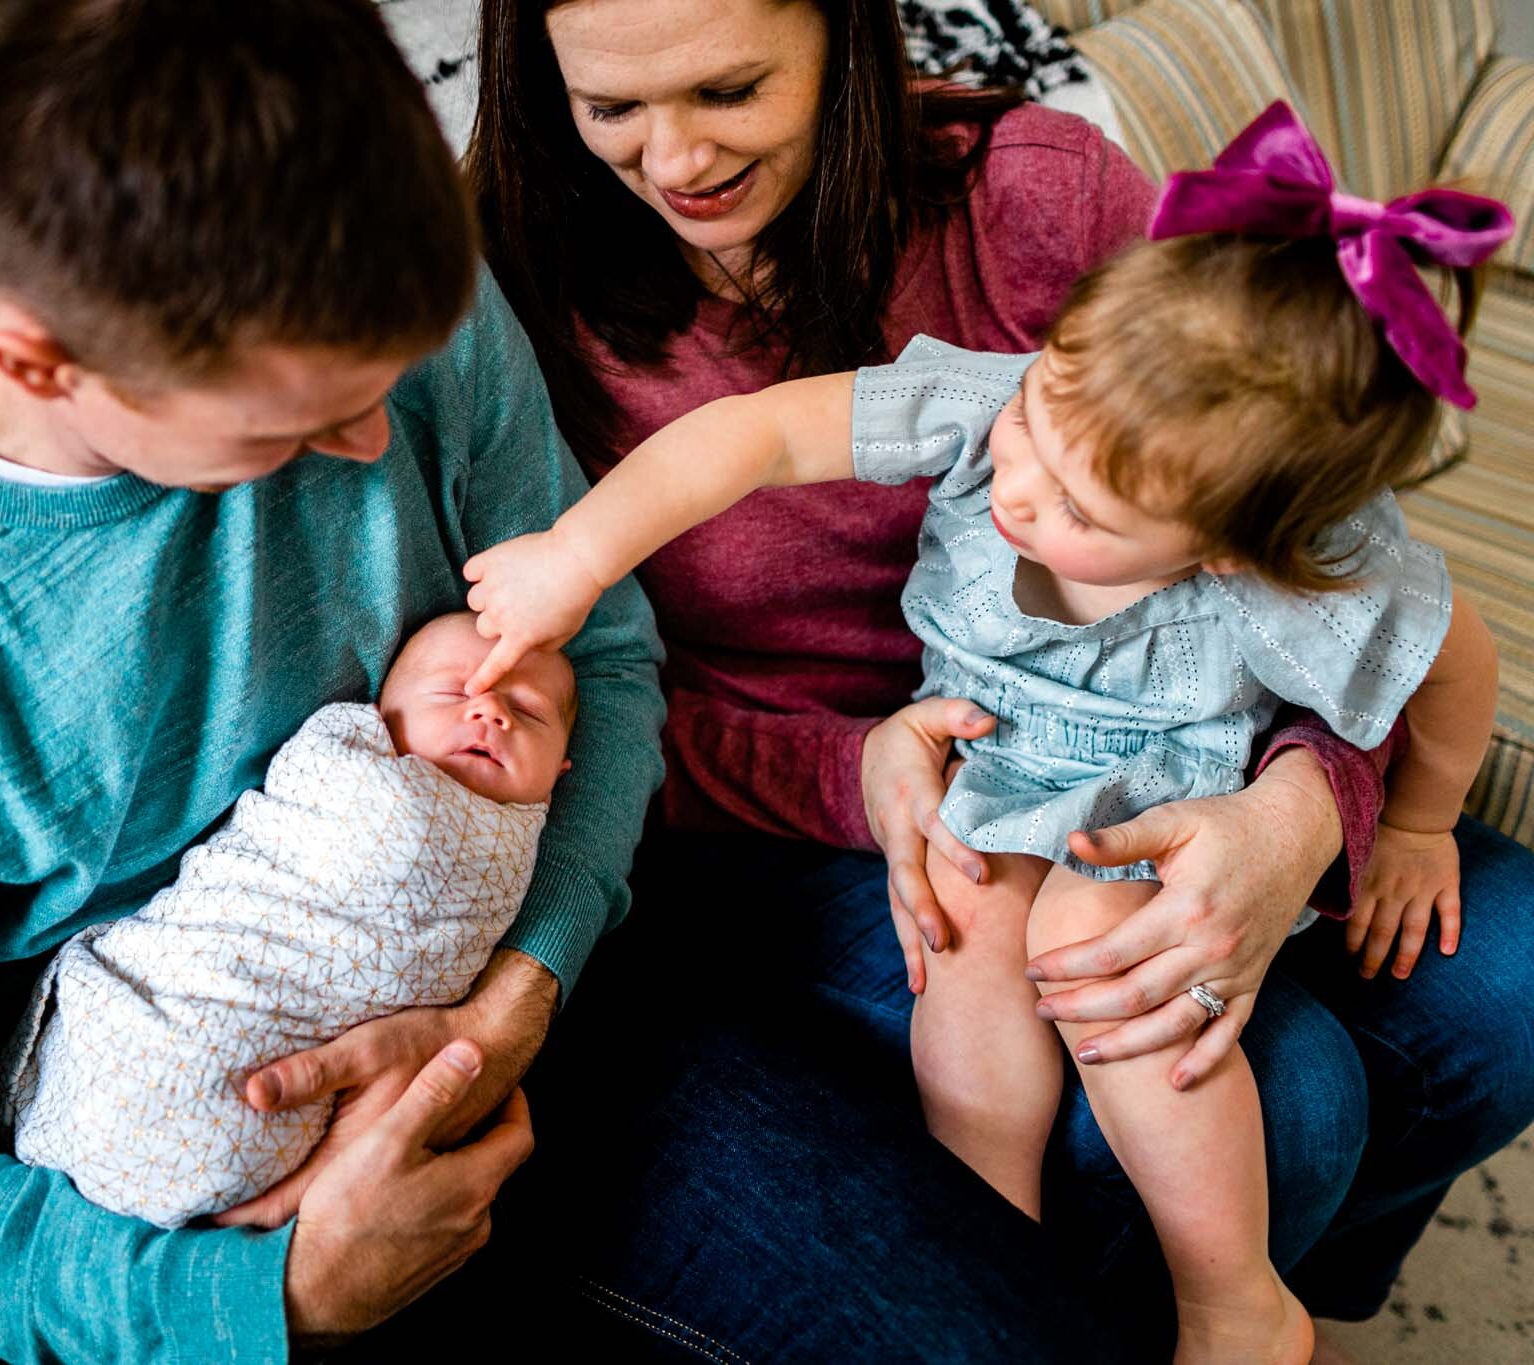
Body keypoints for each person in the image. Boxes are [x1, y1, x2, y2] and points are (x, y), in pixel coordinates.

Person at [400, 0, 1534, 1357]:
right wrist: (581, 562)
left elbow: (1359, 571)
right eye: (613, 110)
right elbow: (748, 447)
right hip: (800, 805)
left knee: (1503, 966)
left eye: (731, 87)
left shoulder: (1055, 222)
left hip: (1170, 766)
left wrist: (1319, 813)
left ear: (840, 40)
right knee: (1278, 1095)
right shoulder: (980, 396)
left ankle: (1246, 1302)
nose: (677, 157)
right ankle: (1011, 1261)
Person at [0, 1, 665, 1358]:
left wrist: (509, 1005)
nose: (377, 437)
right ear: (39, 356)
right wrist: (284, 1296)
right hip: (185, 1249)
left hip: (552, 1014)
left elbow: (604, 655)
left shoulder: (370, 280)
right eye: (296, 423)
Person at [0, 612, 577, 1229]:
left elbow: (618, 651)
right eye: (454, 693)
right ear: (379, 717)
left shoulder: (520, 832)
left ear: (563, 771)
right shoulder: (347, 769)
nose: (491, 713)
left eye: (530, 712)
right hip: (199, 979)